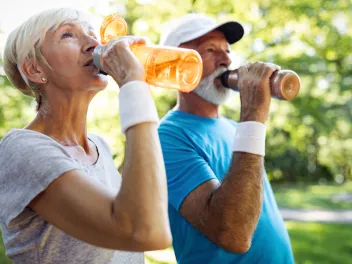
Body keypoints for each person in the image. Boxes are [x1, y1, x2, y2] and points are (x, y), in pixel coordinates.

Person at [0, 8, 172, 264]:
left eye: (93, 35)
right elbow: (146, 230)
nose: (94, 44)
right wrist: (134, 86)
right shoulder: (22, 150)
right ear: (35, 69)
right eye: (68, 35)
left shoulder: (99, 146)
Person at [158, 13, 294, 263]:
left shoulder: (235, 128)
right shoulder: (166, 137)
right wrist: (253, 115)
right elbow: (234, 235)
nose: (227, 60)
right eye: (211, 50)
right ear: (175, 66)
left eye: (227, 50)